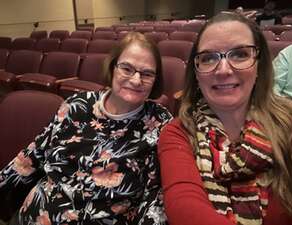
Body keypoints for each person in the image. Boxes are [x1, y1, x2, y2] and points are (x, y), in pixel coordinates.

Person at [0, 32, 173, 225]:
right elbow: (34, 154)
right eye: (127, 68)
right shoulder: (76, 105)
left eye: (147, 73)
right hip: (36, 214)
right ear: (113, 67)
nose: (136, 80)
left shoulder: (160, 123)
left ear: (156, 80)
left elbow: (156, 198)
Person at [158, 12, 292, 225]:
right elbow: (184, 206)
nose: (223, 70)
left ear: (259, 65)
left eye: (240, 54)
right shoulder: (177, 132)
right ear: (196, 73)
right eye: (208, 58)